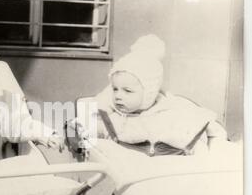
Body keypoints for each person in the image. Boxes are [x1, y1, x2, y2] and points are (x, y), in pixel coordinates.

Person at [73, 34, 227, 156]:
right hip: (128, 177)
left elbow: (206, 127)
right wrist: (77, 127)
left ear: (148, 94)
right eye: (114, 89)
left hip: (165, 172)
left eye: (127, 91)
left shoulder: (171, 112)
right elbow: (87, 127)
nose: (118, 96)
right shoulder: (112, 117)